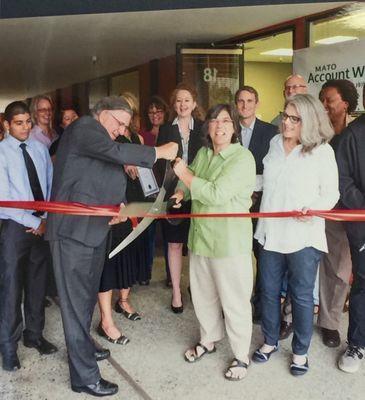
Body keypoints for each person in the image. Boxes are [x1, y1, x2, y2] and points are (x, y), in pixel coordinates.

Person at [45, 96, 177, 397]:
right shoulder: (85, 127)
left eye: (125, 126)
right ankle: (85, 378)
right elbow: (115, 152)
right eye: (119, 123)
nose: (120, 130)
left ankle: (84, 352)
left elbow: (97, 173)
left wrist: (115, 203)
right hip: (72, 234)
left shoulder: (97, 136)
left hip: (92, 231)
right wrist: (158, 151)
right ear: (103, 114)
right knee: (75, 304)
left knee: (85, 299)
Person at [253, 94, 339, 376]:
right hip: (271, 233)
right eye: (285, 116)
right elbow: (266, 180)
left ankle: (300, 352)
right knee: (267, 290)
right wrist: (241, 186)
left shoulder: (322, 151)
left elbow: (331, 193)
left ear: (309, 121)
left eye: (294, 118)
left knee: (301, 296)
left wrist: (312, 209)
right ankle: (270, 340)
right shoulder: (275, 143)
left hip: (303, 236)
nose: (286, 123)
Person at [172, 103, 255, 380]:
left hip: (229, 243)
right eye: (214, 121)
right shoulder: (204, 153)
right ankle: (208, 340)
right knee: (203, 296)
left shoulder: (242, 159)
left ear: (234, 128)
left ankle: (241, 356)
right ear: (207, 126)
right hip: (200, 239)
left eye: (226, 121)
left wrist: (184, 175)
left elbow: (217, 194)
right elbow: (189, 180)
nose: (219, 126)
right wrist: (180, 193)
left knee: (235, 302)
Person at [0, 101, 57, 372]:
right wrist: (33, 221)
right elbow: (4, 200)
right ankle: (8, 347)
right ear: (7, 125)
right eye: (19, 123)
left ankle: (34, 335)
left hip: (41, 225)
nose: (25, 127)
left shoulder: (40, 149)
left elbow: (49, 186)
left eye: (27, 122)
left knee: (37, 283)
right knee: (11, 288)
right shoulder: (1, 153)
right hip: (14, 227)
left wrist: (44, 220)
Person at [318, 79, 359, 348]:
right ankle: (294, 314)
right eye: (322, 99)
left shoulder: (357, 133)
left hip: (350, 212)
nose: (324, 104)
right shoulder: (318, 133)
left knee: (340, 270)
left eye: (329, 100)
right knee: (313, 265)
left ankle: (329, 322)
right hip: (321, 209)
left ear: (345, 103)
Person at [157, 83, 204, 313]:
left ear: (194, 104)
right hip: (173, 195)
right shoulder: (165, 130)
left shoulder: (204, 128)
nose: (183, 104)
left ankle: (195, 287)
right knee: (174, 244)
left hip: (199, 194)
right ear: (174, 105)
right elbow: (159, 164)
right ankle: (176, 291)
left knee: (196, 246)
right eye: (178, 100)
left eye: (187, 100)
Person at [234, 85, 277, 322]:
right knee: (237, 256)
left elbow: (272, 168)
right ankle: (236, 303)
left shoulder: (271, 132)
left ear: (256, 103)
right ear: (236, 104)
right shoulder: (228, 131)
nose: (245, 105)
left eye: (250, 101)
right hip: (234, 206)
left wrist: (255, 190)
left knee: (262, 256)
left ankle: (260, 305)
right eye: (241, 101)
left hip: (261, 204)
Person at [336, 85, 365, 373]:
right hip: (362, 222)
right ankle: (357, 343)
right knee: (363, 284)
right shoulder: (351, 136)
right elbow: (343, 183)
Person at [140, 96, 171, 286]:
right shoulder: (144, 135)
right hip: (149, 189)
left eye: (158, 111)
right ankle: (146, 272)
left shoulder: (170, 132)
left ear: (164, 113)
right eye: (151, 112)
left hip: (168, 187)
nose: (155, 115)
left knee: (169, 235)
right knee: (148, 232)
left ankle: (170, 274)